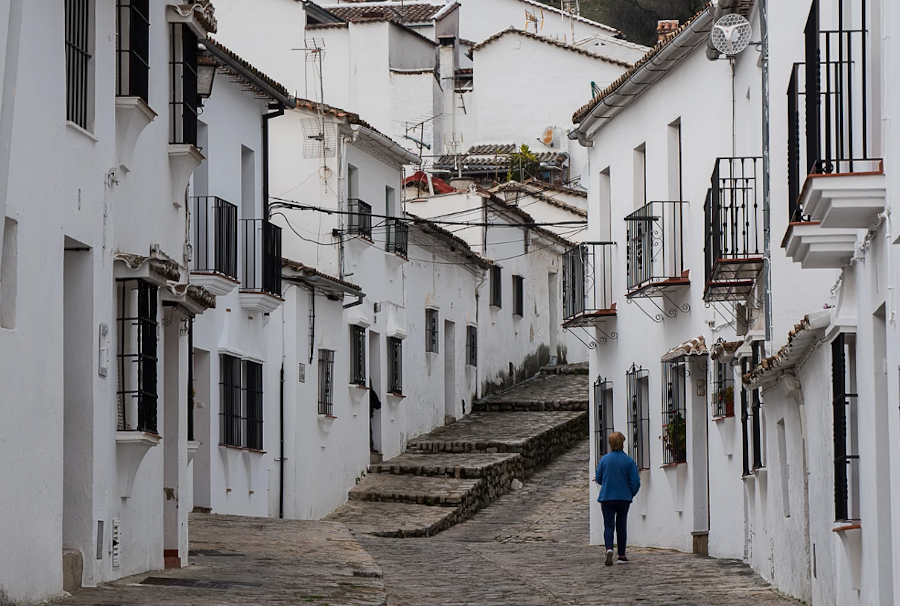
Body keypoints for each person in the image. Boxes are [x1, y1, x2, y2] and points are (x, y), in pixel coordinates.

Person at [594, 431, 641, 566]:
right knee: (621, 525)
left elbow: (599, 478)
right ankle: (621, 555)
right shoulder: (629, 461)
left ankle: (609, 548)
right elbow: (635, 481)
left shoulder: (604, 460)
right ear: (622, 443)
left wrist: (607, 483)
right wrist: (630, 493)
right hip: (623, 498)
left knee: (608, 525)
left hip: (607, 497)